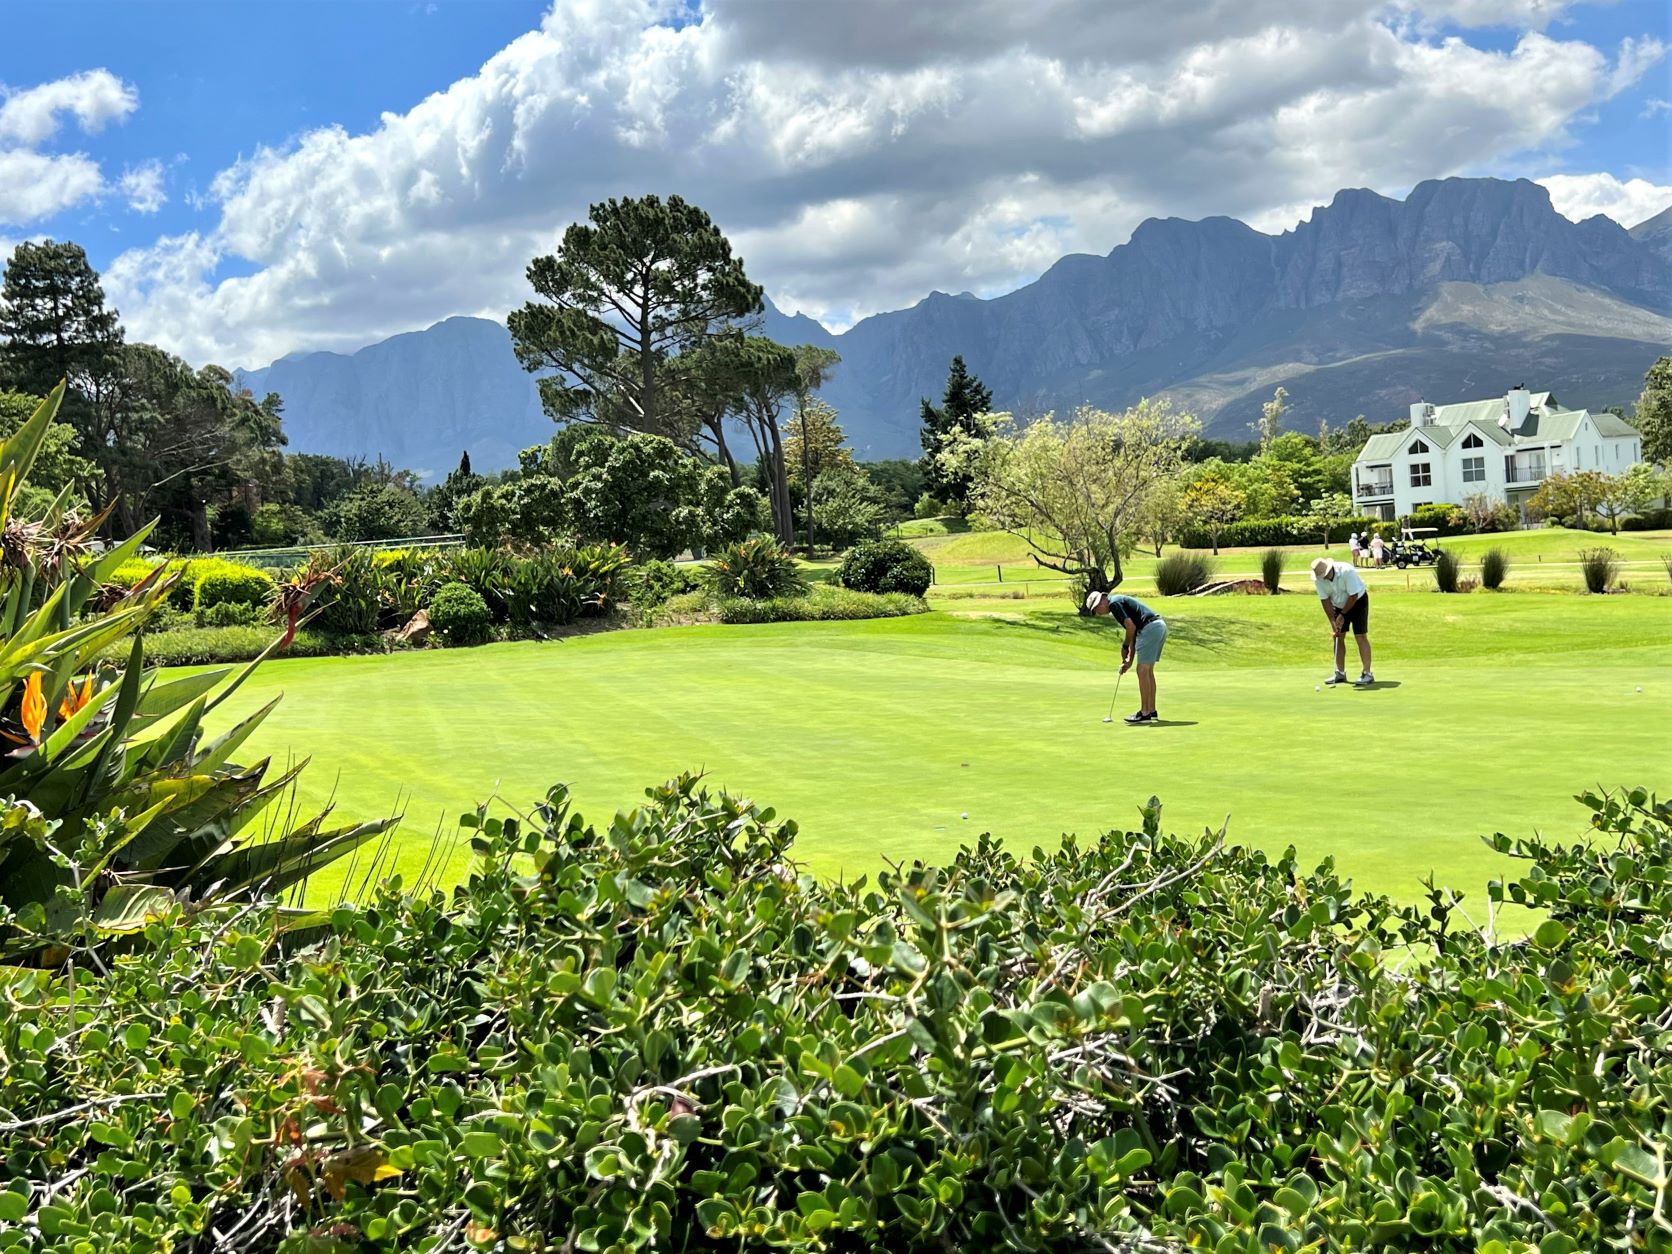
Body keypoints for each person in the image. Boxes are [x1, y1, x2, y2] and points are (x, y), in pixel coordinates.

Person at [1085, 590, 1169, 723]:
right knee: (1147, 671)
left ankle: (1145, 713)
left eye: (1095, 610)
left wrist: (1124, 646)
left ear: (1101, 603)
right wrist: (1129, 659)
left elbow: (1130, 627)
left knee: (1142, 670)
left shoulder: (1114, 604)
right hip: (1159, 626)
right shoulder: (1118, 602)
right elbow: (1133, 632)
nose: (1098, 614)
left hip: (1150, 629)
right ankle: (1151, 711)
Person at [1311, 557, 1373, 687]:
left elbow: (1353, 595)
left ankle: (1367, 673)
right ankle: (1340, 672)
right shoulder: (1318, 580)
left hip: (1358, 601)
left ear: (1329, 570)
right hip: (1338, 605)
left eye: (1325, 575)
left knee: (1360, 636)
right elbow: (1325, 600)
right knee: (1338, 637)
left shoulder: (1346, 571)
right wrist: (1333, 621)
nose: (1323, 578)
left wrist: (1343, 615)